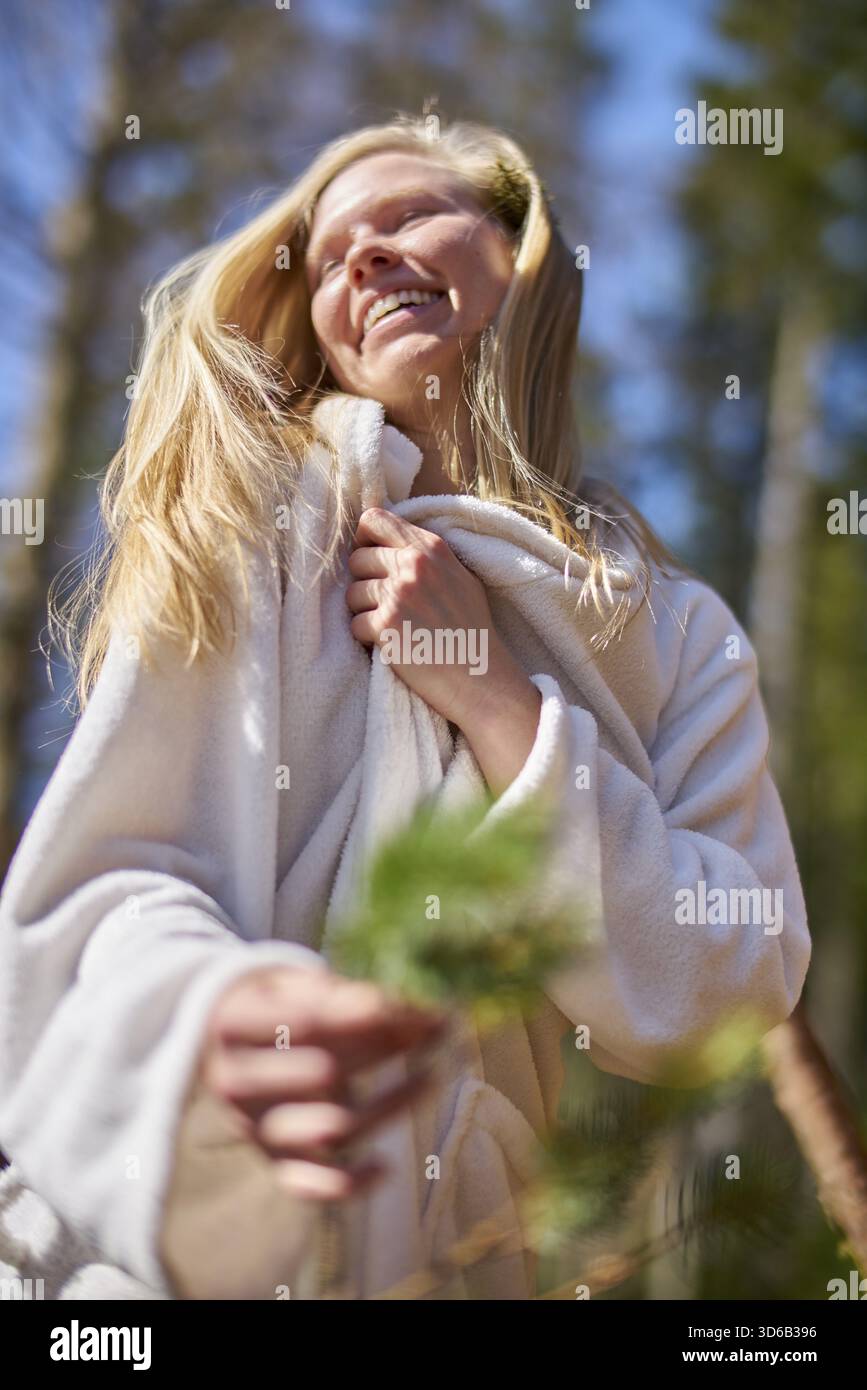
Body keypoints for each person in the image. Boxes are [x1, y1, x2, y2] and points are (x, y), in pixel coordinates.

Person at [0, 116, 811, 1300]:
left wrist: (497, 701)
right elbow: (95, 883)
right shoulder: (244, 520)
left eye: (409, 216)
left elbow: (731, 976)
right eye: (329, 258)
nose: (363, 259)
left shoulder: (677, 635)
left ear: (523, 252)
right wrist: (209, 1022)